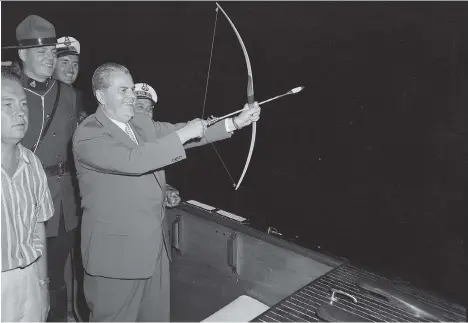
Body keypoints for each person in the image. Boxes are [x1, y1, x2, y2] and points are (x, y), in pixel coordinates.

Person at [72, 62, 260, 321]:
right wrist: (183, 134)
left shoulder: (139, 124)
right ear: (101, 96)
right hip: (116, 259)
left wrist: (236, 123)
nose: (132, 96)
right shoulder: (88, 134)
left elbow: (189, 134)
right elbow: (133, 160)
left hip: (154, 250)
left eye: (132, 89)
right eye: (123, 90)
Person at [4, 15, 81, 321]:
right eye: (42, 52)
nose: (50, 58)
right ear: (22, 54)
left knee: (55, 277)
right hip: (16, 197)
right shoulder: (8, 91)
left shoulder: (68, 94)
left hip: (62, 202)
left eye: (52, 52)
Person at [1, 66, 54, 322]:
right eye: (7, 104)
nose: (20, 112)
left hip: (31, 278)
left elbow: (38, 230)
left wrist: (43, 286)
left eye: (23, 104)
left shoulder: (33, 163)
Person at [135, 82, 181, 207]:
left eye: (149, 109)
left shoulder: (150, 136)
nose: (146, 113)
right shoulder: (114, 139)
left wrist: (165, 189)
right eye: (140, 107)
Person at [54, 36, 88, 124]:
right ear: (53, 64)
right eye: (65, 62)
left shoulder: (79, 96)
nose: (71, 70)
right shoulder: (41, 92)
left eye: (75, 64)